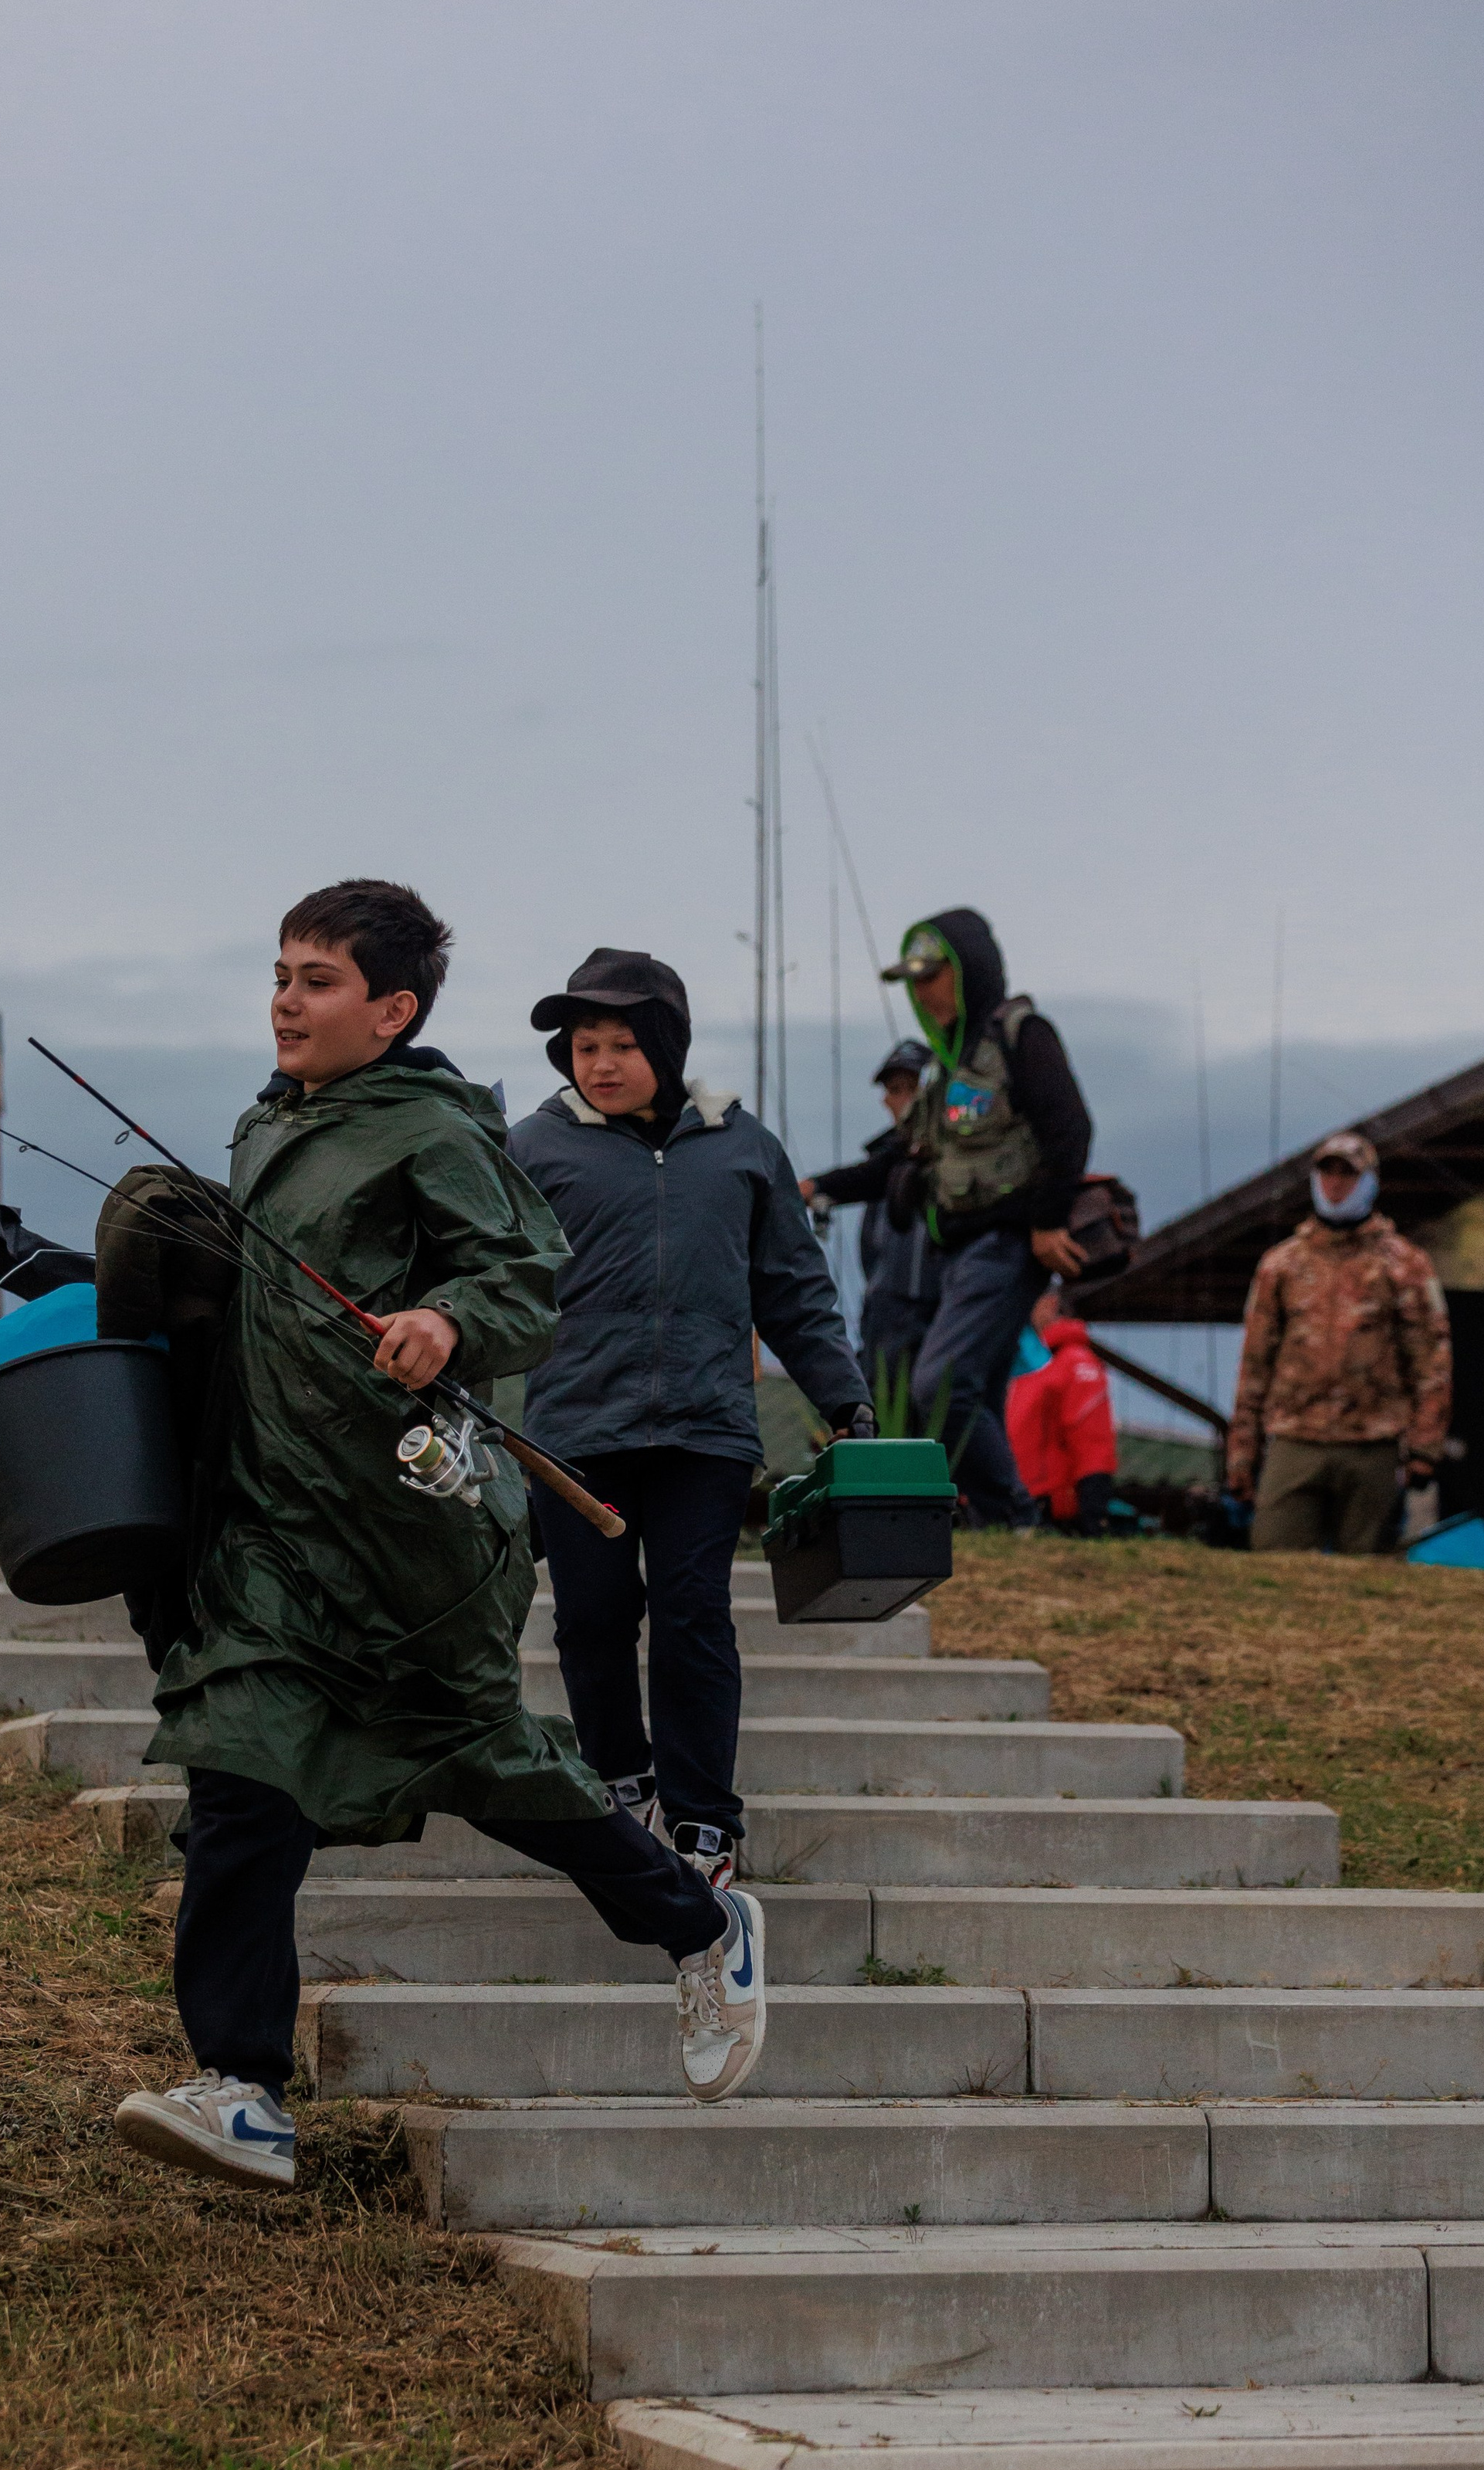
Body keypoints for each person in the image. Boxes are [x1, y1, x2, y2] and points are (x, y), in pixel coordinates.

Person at [110, 884, 767, 2190]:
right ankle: (240, 2088)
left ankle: (699, 1927)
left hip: (406, 1533)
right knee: (241, 1770)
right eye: (282, 974)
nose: (287, 999)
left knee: (495, 1765)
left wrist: (452, 1322)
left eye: (319, 980)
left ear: (392, 1010)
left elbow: (525, 1273)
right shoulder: (265, 1128)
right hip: (273, 1529)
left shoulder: (432, 1130)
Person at [507, 948, 871, 1891]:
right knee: (589, 1618)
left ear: (665, 1046)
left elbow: (793, 1289)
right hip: (575, 1429)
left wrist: (845, 1400)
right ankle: (625, 1783)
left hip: (706, 1431)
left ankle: (705, 1818)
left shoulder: (743, 1146)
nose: (601, 1063)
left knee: (693, 1613)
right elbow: (486, 1281)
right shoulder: (533, 1149)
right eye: (584, 1046)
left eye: (623, 1043)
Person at [876, 909, 1094, 1527]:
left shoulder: (1021, 1034)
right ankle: (1001, 1527)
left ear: (969, 970)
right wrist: (809, 1187)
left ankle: (1010, 1516)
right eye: (913, 982)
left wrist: (1048, 1222)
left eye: (932, 975)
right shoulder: (949, 1066)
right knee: (980, 1392)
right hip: (962, 1253)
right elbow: (896, 1157)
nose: (923, 993)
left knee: (939, 1386)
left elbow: (1069, 1126)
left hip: (1007, 1243)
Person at [1226, 1130, 1452, 1555]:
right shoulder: (1282, 1265)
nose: (1335, 1185)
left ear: (1370, 1183)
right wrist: (1242, 1454)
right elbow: (1255, 1364)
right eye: (1326, 1175)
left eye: (1347, 1176)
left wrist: (1425, 1448)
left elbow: (1431, 1360)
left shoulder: (1404, 1264)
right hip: (1296, 1438)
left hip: (1373, 1443)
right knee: (1275, 1564)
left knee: (1367, 1576)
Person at [799, 1038, 944, 1406]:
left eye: (913, 1087)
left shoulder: (950, 1154)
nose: (902, 1099)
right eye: (895, 1090)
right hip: (885, 1316)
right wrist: (812, 1188)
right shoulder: (888, 1161)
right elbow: (867, 1176)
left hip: (938, 1313)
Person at [1006, 1285, 1119, 1535]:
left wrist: (1093, 1513)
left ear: (1050, 1303)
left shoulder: (1074, 1361)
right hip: (1026, 1502)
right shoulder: (1035, 1362)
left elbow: (1093, 1440)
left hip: (1052, 1510)